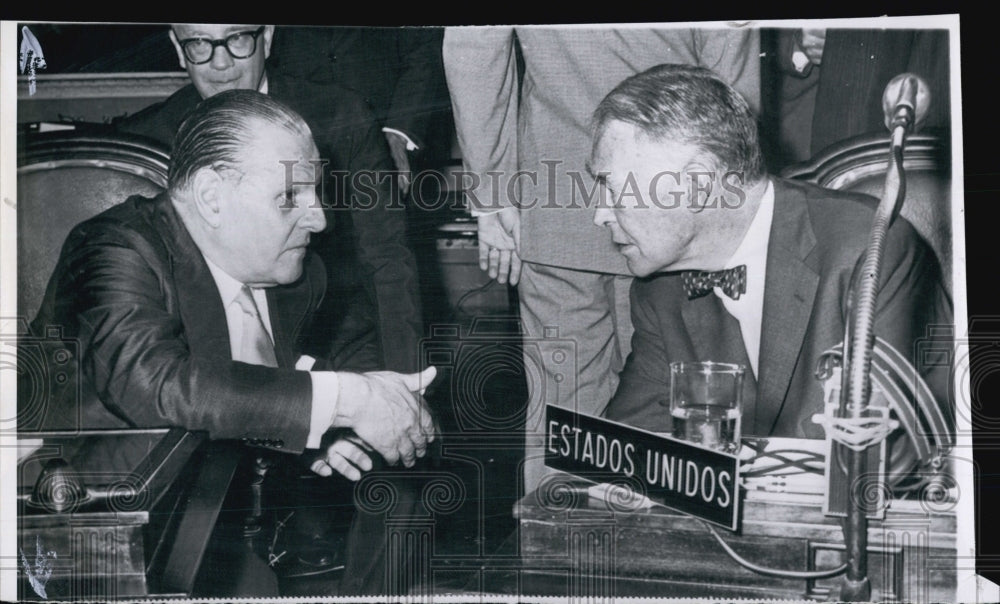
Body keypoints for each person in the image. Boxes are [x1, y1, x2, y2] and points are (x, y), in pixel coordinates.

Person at [27, 90, 435, 593]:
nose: (320, 218)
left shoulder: (296, 272)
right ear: (212, 197)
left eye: (316, 193)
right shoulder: (112, 248)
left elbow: (292, 366)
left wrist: (325, 427)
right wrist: (346, 400)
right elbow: (153, 384)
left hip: (202, 506)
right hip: (76, 529)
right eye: (290, 197)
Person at [442, 26, 760, 494]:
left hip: (555, 195)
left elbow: (474, 46)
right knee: (678, 411)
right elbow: (732, 82)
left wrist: (491, 196)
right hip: (672, 205)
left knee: (562, 407)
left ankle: (558, 552)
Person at [591, 64, 952, 472]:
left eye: (615, 190)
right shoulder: (659, 288)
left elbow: (912, 449)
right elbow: (628, 446)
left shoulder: (869, 250)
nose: (599, 214)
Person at [115, 23, 424, 374]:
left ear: (268, 37)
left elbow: (387, 258)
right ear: (176, 44)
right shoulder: (142, 140)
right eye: (199, 44)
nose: (221, 64)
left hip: (334, 342)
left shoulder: (341, 116)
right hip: (203, 362)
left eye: (238, 39)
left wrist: (407, 378)